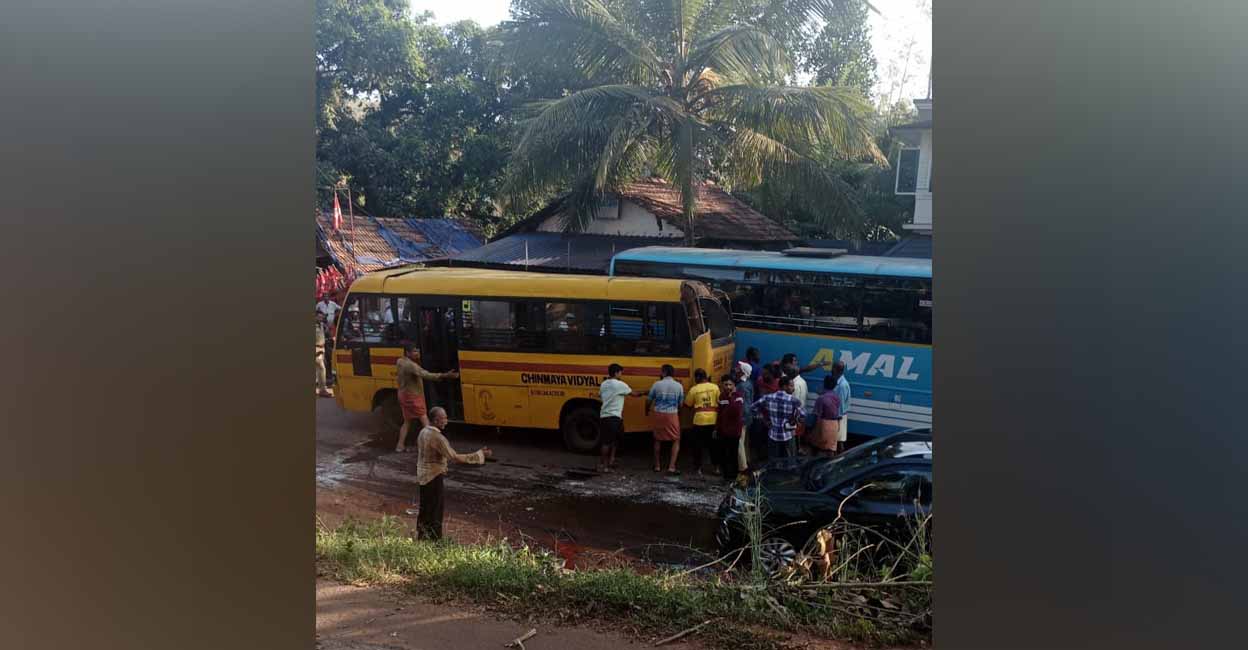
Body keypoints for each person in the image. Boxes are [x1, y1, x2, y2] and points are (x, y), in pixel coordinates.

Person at [405, 407, 491, 540]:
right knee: (436, 510)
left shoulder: (423, 432)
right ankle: (435, 540)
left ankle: (422, 536)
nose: (446, 421)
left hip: (422, 476)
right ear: (435, 420)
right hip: (434, 476)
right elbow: (454, 457)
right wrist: (479, 455)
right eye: (443, 418)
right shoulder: (437, 437)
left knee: (425, 508)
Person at [395, 342, 459, 453]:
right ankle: (434, 446)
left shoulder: (400, 361)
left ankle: (400, 446)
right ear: (407, 353)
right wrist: (445, 375)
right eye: (415, 351)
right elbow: (426, 374)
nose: (418, 353)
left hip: (403, 394)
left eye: (418, 350)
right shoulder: (411, 365)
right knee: (425, 421)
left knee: (407, 422)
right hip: (413, 396)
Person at [751, 375, 804, 459]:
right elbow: (803, 415)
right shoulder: (794, 400)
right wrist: (795, 419)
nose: (793, 388)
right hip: (788, 436)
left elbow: (753, 408)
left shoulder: (768, 397)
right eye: (791, 386)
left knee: (773, 460)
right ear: (784, 386)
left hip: (773, 435)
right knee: (788, 461)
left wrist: (764, 420)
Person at [646, 364, 684, 475]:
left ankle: (657, 466)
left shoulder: (657, 384)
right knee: (676, 439)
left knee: (657, 439)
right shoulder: (678, 386)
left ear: (664, 372)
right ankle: (671, 467)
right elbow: (680, 404)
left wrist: (646, 410)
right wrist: (679, 415)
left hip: (659, 414)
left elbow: (648, 400)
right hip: (672, 415)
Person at [683, 368, 720, 477]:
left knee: (697, 446)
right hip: (714, 420)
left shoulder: (694, 389)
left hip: (699, 421)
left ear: (698, 378)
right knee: (713, 446)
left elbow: (687, 404)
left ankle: (698, 469)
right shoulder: (715, 387)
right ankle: (716, 468)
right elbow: (720, 402)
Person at [597, 363, 631, 473]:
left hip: (606, 416)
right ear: (616, 373)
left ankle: (610, 461)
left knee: (614, 440)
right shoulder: (619, 384)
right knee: (608, 442)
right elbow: (634, 393)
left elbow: (600, 396)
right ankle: (603, 465)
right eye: (620, 372)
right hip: (613, 417)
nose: (621, 374)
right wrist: (649, 391)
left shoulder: (603, 384)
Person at [716, 373, 744, 483]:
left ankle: (734, 476)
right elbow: (720, 413)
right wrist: (716, 428)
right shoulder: (721, 396)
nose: (728, 387)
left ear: (734, 385)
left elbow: (736, 411)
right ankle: (726, 476)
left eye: (730, 384)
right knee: (723, 453)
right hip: (723, 430)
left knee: (733, 454)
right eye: (726, 384)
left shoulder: (738, 396)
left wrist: (731, 397)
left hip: (734, 431)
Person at [809, 374, 843, 456]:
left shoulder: (821, 399)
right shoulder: (837, 397)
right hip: (835, 425)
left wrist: (810, 428)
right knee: (831, 450)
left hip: (823, 425)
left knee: (815, 449)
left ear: (824, 384)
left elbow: (817, 416)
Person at [734, 363, 755, 471]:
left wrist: (740, 418)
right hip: (748, 416)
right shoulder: (749, 383)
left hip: (743, 417)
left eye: (738, 368)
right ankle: (747, 460)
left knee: (739, 442)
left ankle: (743, 467)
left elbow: (744, 404)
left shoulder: (742, 386)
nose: (736, 369)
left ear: (742, 371)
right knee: (745, 440)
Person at [831, 360, 852, 453]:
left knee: (838, 441)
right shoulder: (840, 382)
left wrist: (837, 420)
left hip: (839, 416)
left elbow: (840, 403)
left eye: (833, 367)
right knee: (838, 440)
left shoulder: (842, 385)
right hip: (839, 416)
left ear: (835, 369)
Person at [315, 311, 332, 398]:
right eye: (319, 317)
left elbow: (325, 334)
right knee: (321, 369)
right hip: (316, 349)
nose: (321, 318)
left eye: (322, 317)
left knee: (320, 369)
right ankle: (322, 390)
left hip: (322, 348)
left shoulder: (321, 325)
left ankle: (322, 390)